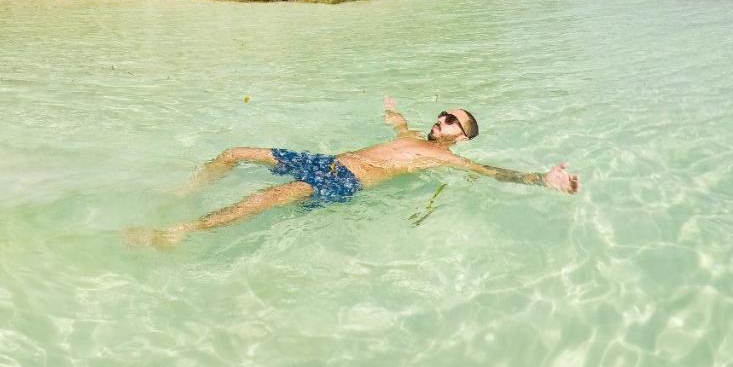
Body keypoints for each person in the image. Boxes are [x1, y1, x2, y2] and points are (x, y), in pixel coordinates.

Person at [129, 97, 579, 247]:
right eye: (443, 113)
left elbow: (491, 172)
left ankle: (183, 230)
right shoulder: (413, 137)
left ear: (459, 137)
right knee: (235, 152)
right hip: (325, 160)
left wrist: (541, 179)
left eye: (450, 121)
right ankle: (183, 191)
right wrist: (393, 113)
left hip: (344, 182)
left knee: (267, 199)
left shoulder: (446, 157)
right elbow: (398, 127)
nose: (441, 120)